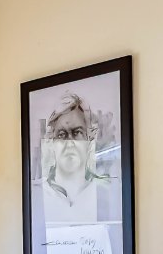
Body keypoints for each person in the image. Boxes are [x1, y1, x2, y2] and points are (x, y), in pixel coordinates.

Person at [38, 92, 113, 225]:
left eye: (77, 132)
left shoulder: (106, 191)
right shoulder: (37, 193)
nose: (70, 142)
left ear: (88, 138)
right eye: (61, 135)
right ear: (52, 142)